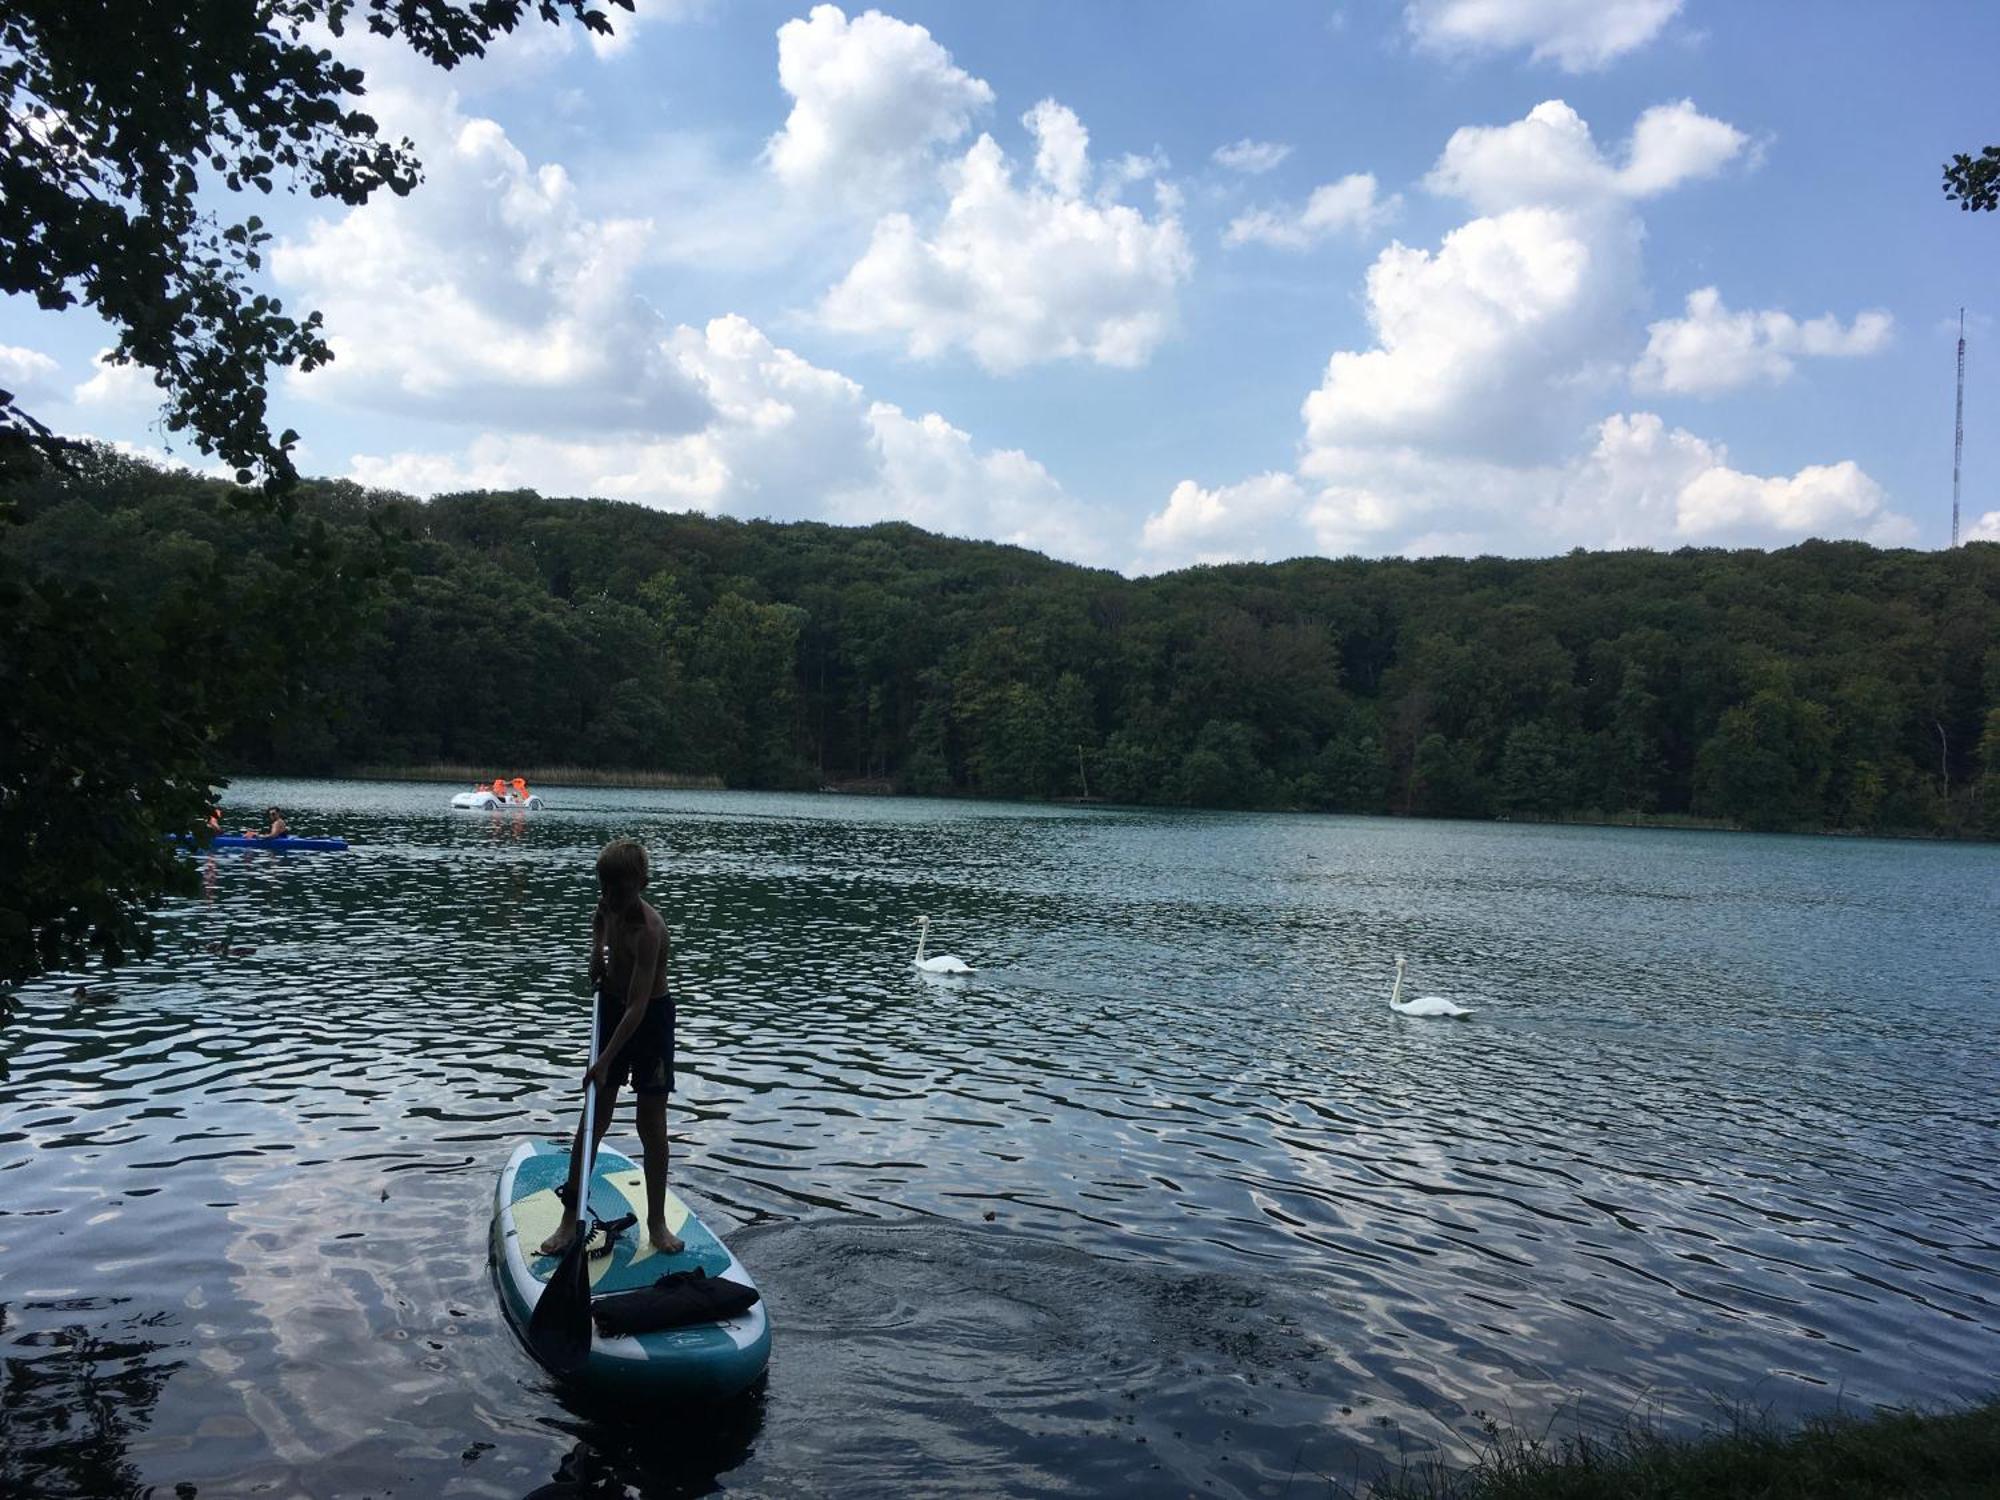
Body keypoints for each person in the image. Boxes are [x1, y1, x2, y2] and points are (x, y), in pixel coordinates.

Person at [539, 839, 683, 1258]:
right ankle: (569, 1220)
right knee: (593, 1118)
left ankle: (657, 1222)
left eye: (619, 890)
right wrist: (595, 954)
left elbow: (639, 1006)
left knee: (650, 1125)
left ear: (641, 882)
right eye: (606, 888)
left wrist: (603, 1061)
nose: (611, 898)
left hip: (650, 1021)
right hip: (612, 1010)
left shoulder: (650, 931)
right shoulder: (608, 904)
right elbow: (598, 920)